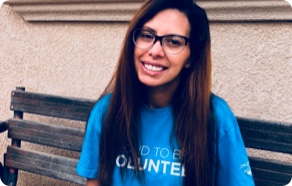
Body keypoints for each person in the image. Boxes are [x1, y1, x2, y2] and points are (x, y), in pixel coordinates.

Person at [76, 0, 255, 185]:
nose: (155, 51)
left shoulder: (216, 117)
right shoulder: (107, 110)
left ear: (191, 58)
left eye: (173, 42)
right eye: (146, 35)